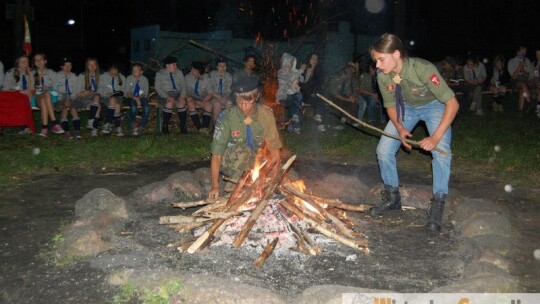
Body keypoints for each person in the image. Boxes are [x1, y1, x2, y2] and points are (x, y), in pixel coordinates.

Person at [368, 33, 459, 233]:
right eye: (376, 60)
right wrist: (400, 128)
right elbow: (391, 104)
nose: (377, 65)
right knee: (383, 150)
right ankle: (392, 198)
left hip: (434, 106)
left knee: (441, 151)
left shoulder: (424, 69)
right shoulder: (383, 75)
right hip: (406, 107)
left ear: (396, 54)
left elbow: (452, 104)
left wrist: (435, 138)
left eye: (381, 59)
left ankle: (437, 205)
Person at [208, 76, 282, 199]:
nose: (244, 107)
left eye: (248, 102)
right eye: (239, 101)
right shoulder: (227, 117)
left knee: (268, 158)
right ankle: (234, 182)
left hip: (256, 158)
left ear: (256, 97)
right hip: (233, 159)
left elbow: (274, 149)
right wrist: (215, 186)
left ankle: (256, 181)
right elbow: (216, 155)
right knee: (244, 151)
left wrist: (272, 178)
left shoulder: (266, 115)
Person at [32, 53, 64, 137]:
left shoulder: (52, 72)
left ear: (45, 61)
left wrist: (51, 87)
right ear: (34, 63)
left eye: (41, 59)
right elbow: (31, 89)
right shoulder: (32, 74)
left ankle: (44, 128)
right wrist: (41, 88)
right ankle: (54, 123)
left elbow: (59, 85)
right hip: (37, 97)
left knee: (46, 96)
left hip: (51, 97)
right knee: (44, 97)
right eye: (36, 60)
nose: (39, 62)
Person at [154, 56, 188, 134]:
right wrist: (167, 96)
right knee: (169, 103)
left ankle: (183, 126)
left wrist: (182, 97)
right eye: (174, 65)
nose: (176, 66)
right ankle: (165, 125)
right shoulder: (160, 74)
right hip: (165, 94)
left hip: (177, 94)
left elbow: (184, 86)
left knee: (181, 103)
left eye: (176, 64)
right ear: (167, 65)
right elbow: (158, 88)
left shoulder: (179, 72)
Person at [2, 55, 34, 134]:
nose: (25, 64)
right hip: (14, 95)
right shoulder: (11, 72)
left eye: (27, 62)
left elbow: (34, 87)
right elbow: (6, 88)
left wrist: (29, 76)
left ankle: (24, 126)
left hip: (28, 96)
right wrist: (19, 90)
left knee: (23, 99)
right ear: (17, 63)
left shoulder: (33, 72)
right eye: (22, 62)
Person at [74, 58, 102, 138]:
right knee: (98, 106)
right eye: (90, 65)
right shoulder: (82, 76)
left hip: (96, 98)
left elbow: (102, 90)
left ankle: (91, 121)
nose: (92, 67)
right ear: (87, 66)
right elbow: (77, 92)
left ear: (97, 66)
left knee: (97, 98)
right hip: (85, 100)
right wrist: (85, 92)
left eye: (94, 65)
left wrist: (90, 92)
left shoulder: (100, 77)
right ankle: (94, 128)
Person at [277, 52, 303, 134]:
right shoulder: (281, 72)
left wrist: (298, 76)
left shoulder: (293, 72)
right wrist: (300, 71)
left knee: (298, 97)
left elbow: (301, 80)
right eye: (291, 62)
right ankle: (295, 121)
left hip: (292, 97)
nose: (292, 65)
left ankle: (293, 127)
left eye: (293, 63)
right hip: (283, 97)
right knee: (296, 100)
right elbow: (290, 80)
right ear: (286, 62)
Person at [185, 61, 213, 134]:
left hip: (203, 99)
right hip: (192, 97)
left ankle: (205, 127)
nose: (191, 71)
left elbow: (210, 93)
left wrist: (203, 102)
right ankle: (199, 127)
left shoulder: (207, 79)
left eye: (193, 69)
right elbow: (184, 90)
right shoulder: (188, 77)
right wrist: (188, 97)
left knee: (209, 106)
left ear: (198, 70)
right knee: (190, 102)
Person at [299, 52, 326, 131]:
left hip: (313, 95)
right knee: (319, 98)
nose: (315, 61)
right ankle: (318, 116)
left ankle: (318, 116)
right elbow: (299, 84)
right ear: (308, 60)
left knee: (319, 93)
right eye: (313, 59)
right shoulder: (303, 69)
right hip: (303, 94)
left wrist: (315, 91)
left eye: (316, 59)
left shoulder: (318, 71)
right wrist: (303, 71)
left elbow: (319, 83)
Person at [99, 63, 126, 136]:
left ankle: (108, 124)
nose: (114, 72)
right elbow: (99, 89)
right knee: (114, 102)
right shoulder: (103, 77)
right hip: (106, 97)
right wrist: (106, 93)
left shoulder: (122, 77)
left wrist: (120, 93)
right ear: (108, 70)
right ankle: (117, 127)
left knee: (116, 104)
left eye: (115, 70)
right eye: (112, 70)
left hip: (118, 97)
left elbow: (124, 90)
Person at [54, 57, 79, 137]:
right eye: (65, 65)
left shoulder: (75, 76)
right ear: (61, 66)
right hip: (60, 97)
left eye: (70, 65)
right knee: (64, 110)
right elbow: (55, 90)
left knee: (73, 109)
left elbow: (76, 90)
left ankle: (77, 130)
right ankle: (67, 131)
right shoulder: (56, 76)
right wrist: (63, 99)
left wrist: (70, 98)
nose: (68, 68)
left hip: (71, 96)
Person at [124, 63, 150, 136]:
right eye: (133, 70)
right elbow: (127, 92)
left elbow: (145, 92)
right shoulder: (129, 78)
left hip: (142, 97)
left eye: (136, 70)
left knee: (146, 108)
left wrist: (138, 98)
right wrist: (135, 98)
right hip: (131, 97)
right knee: (133, 108)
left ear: (141, 72)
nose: (134, 72)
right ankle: (134, 123)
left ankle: (142, 126)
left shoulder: (144, 79)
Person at [508, 46, 533, 115]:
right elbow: (513, 76)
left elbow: (529, 76)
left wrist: (523, 70)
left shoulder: (527, 61)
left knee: (522, 89)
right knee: (523, 85)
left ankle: (520, 111)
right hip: (515, 81)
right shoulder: (512, 61)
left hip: (525, 80)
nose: (524, 54)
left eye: (525, 52)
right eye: (522, 52)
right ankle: (529, 103)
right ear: (518, 52)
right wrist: (519, 67)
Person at [530, 49, 540, 115]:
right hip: (535, 81)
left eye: (539, 54)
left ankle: (538, 107)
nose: (538, 56)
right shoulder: (533, 63)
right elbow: (530, 77)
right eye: (536, 54)